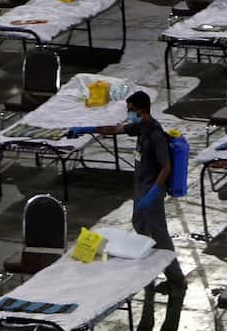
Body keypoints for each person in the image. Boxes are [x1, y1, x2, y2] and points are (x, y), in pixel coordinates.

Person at [68, 91, 186, 295]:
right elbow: (115, 129)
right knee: (139, 224)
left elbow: (166, 168)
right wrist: (87, 129)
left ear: (141, 110)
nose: (128, 113)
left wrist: (153, 193)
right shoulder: (141, 127)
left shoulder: (156, 134)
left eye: (130, 109)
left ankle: (176, 278)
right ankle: (150, 263)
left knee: (159, 233)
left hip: (152, 189)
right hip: (141, 186)